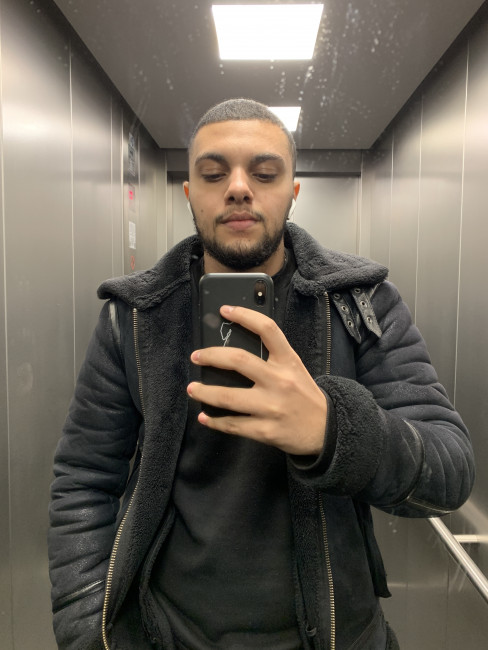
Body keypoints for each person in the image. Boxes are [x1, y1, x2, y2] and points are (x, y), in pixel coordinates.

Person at [48, 98, 474, 650]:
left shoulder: (361, 302)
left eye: (265, 173)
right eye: (213, 173)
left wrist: (331, 430)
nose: (238, 188)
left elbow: (448, 472)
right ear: (189, 193)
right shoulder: (134, 315)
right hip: (164, 633)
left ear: (293, 191)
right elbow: (83, 479)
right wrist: (89, 634)